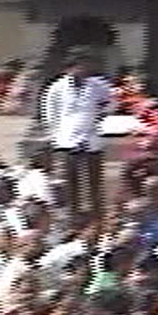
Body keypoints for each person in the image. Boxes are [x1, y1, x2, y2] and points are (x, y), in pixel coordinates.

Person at [43, 52, 111, 217]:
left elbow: (110, 102)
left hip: (91, 137)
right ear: (69, 68)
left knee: (94, 180)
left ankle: (97, 213)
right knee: (71, 180)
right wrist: (56, 135)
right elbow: (50, 113)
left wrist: (102, 112)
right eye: (80, 66)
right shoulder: (57, 87)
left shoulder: (98, 85)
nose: (84, 69)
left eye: (86, 66)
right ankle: (75, 214)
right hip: (67, 139)